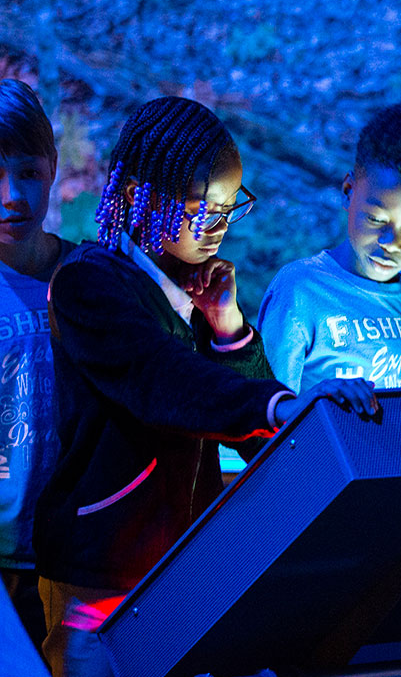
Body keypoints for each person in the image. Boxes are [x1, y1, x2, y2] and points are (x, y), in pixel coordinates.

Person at [33, 96, 378, 677]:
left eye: (227, 208)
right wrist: (282, 404)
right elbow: (162, 381)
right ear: (140, 192)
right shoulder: (88, 284)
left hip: (179, 569)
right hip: (98, 576)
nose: (217, 226)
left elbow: (252, 440)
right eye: (202, 208)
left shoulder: (194, 295)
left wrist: (230, 330)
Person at [258, 104, 401, 392]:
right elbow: (264, 414)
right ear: (348, 191)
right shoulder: (300, 291)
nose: (392, 242)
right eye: (376, 218)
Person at [0, 80, 76, 654]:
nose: (11, 196)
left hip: (72, 552)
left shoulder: (87, 278)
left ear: (51, 169)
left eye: (27, 172)